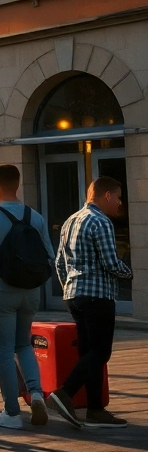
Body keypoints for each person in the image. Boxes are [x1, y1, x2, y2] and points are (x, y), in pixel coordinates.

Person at [49, 176, 133, 430]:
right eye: (118, 197)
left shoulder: (70, 221)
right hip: (98, 296)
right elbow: (110, 263)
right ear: (106, 195)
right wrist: (130, 273)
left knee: (89, 353)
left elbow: (59, 263)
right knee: (101, 351)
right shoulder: (100, 222)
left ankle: (95, 410)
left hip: (74, 295)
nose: (119, 204)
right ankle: (64, 393)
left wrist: (69, 288)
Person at [0, 164, 54, 429]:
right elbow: (49, 257)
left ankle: (10, 413)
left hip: (0, 290)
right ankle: (36, 395)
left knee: (4, 352)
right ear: (17, 184)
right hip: (30, 292)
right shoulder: (35, 217)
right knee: (24, 345)